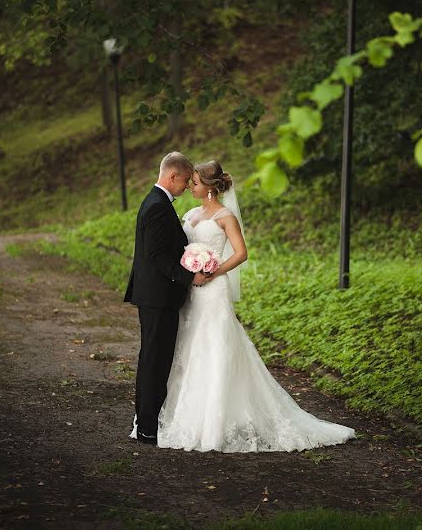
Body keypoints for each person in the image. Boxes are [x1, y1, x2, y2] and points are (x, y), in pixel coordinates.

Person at [156, 159, 356, 452]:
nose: (190, 186)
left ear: (210, 188)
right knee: (190, 345)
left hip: (213, 289)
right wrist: (189, 271)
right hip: (193, 291)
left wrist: (213, 270)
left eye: (195, 183)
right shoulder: (189, 214)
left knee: (216, 345)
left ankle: (216, 423)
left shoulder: (225, 217)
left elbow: (241, 253)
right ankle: (190, 416)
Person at [124, 152, 214, 444]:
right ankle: (148, 426)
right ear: (173, 176)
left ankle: (144, 421)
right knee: (155, 360)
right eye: (186, 180)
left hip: (155, 295)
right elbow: (157, 256)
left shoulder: (156, 202)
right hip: (158, 296)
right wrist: (190, 277)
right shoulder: (158, 207)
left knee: (153, 358)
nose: (187, 186)